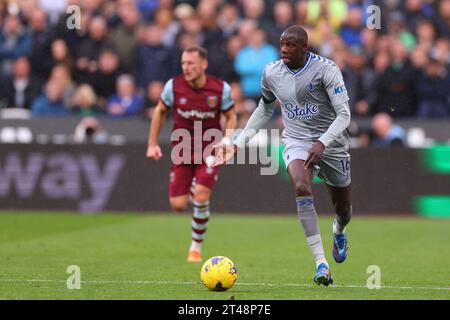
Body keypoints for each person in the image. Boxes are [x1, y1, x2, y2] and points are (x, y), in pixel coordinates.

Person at [213, 26, 352, 286]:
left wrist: (322, 142)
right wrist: (237, 143)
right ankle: (322, 264)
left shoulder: (327, 70)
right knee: (301, 186)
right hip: (296, 139)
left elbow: (344, 115)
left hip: (331, 143)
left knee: (343, 210)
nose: (284, 49)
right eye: (281, 44)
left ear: (304, 48)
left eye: (290, 45)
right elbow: (264, 109)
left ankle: (339, 229)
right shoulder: (272, 72)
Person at [146, 46, 236, 263]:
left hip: (210, 150)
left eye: (191, 64)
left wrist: (227, 139)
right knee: (178, 205)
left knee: (201, 195)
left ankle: (195, 248)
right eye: (183, 63)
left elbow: (232, 115)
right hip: (182, 151)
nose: (186, 68)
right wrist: (152, 143)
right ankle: (194, 188)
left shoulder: (220, 89)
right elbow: (160, 111)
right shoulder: (173, 87)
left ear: (203, 65)